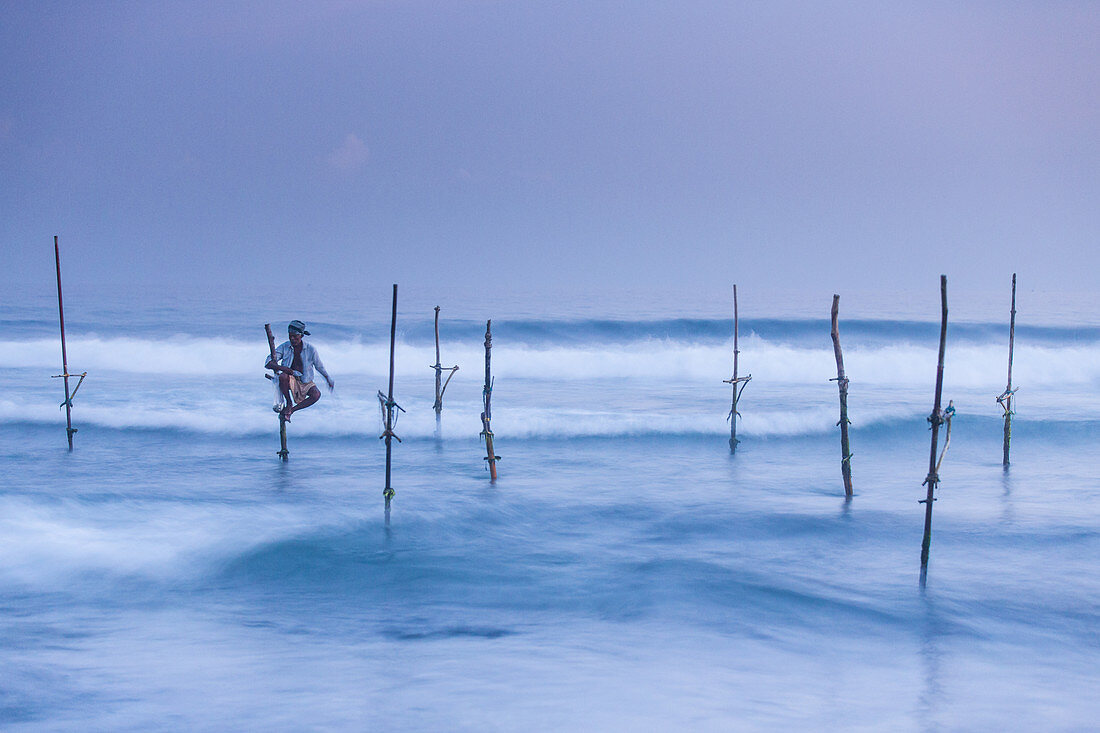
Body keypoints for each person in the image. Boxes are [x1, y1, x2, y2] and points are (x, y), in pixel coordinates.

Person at [266, 320, 334, 422]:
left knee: (316, 395)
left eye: (295, 337)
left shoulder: (310, 349)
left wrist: (327, 379)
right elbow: (268, 363)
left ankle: (291, 410)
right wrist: (284, 369)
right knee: (283, 376)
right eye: (290, 336)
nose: (292, 339)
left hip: (305, 380)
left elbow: (319, 366)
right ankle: (289, 403)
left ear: (301, 336)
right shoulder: (285, 346)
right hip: (290, 379)